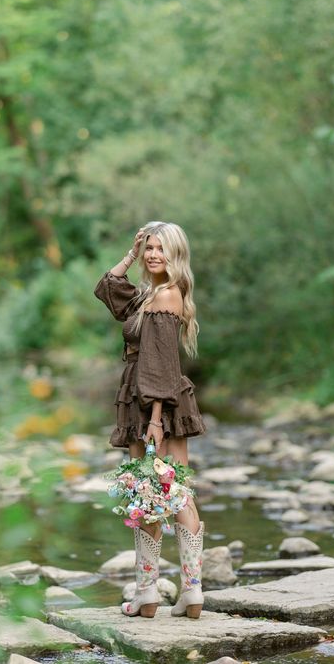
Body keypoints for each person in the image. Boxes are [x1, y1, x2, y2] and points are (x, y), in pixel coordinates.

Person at [94, 221, 207, 619]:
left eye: (162, 249)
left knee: (157, 492)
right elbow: (109, 288)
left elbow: (161, 363)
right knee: (166, 491)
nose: (154, 254)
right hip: (152, 397)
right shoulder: (151, 294)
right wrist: (130, 252)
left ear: (177, 256)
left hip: (154, 402)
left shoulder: (165, 296)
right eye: (150, 248)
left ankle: (150, 592)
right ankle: (185, 593)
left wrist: (155, 418)